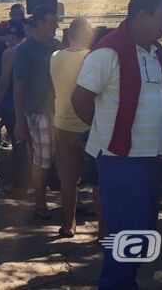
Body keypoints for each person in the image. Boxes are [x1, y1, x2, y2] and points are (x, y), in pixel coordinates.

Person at [71, 0, 162, 289]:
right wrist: (108, 131)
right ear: (142, 16)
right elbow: (80, 100)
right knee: (126, 234)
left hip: (151, 159)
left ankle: (126, 283)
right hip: (121, 160)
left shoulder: (155, 52)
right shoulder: (108, 53)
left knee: (141, 232)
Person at [13, 4, 60, 219]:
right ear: (38, 24)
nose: (56, 26)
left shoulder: (57, 46)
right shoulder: (25, 50)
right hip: (38, 112)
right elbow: (18, 88)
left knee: (60, 157)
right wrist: (20, 122)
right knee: (42, 159)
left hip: (60, 111)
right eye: (52, 22)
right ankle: (39, 202)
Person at [50, 18, 93, 237]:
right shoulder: (91, 58)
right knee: (99, 182)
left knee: (68, 180)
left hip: (63, 122)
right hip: (88, 124)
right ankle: (102, 232)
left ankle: (69, 224)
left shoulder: (55, 56)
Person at [0, 21, 28, 188]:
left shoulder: (10, 53)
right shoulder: (35, 47)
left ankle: (19, 182)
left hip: (14, 103)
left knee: (18, 143)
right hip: (36, 103)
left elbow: (4, 80)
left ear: (12, 36)